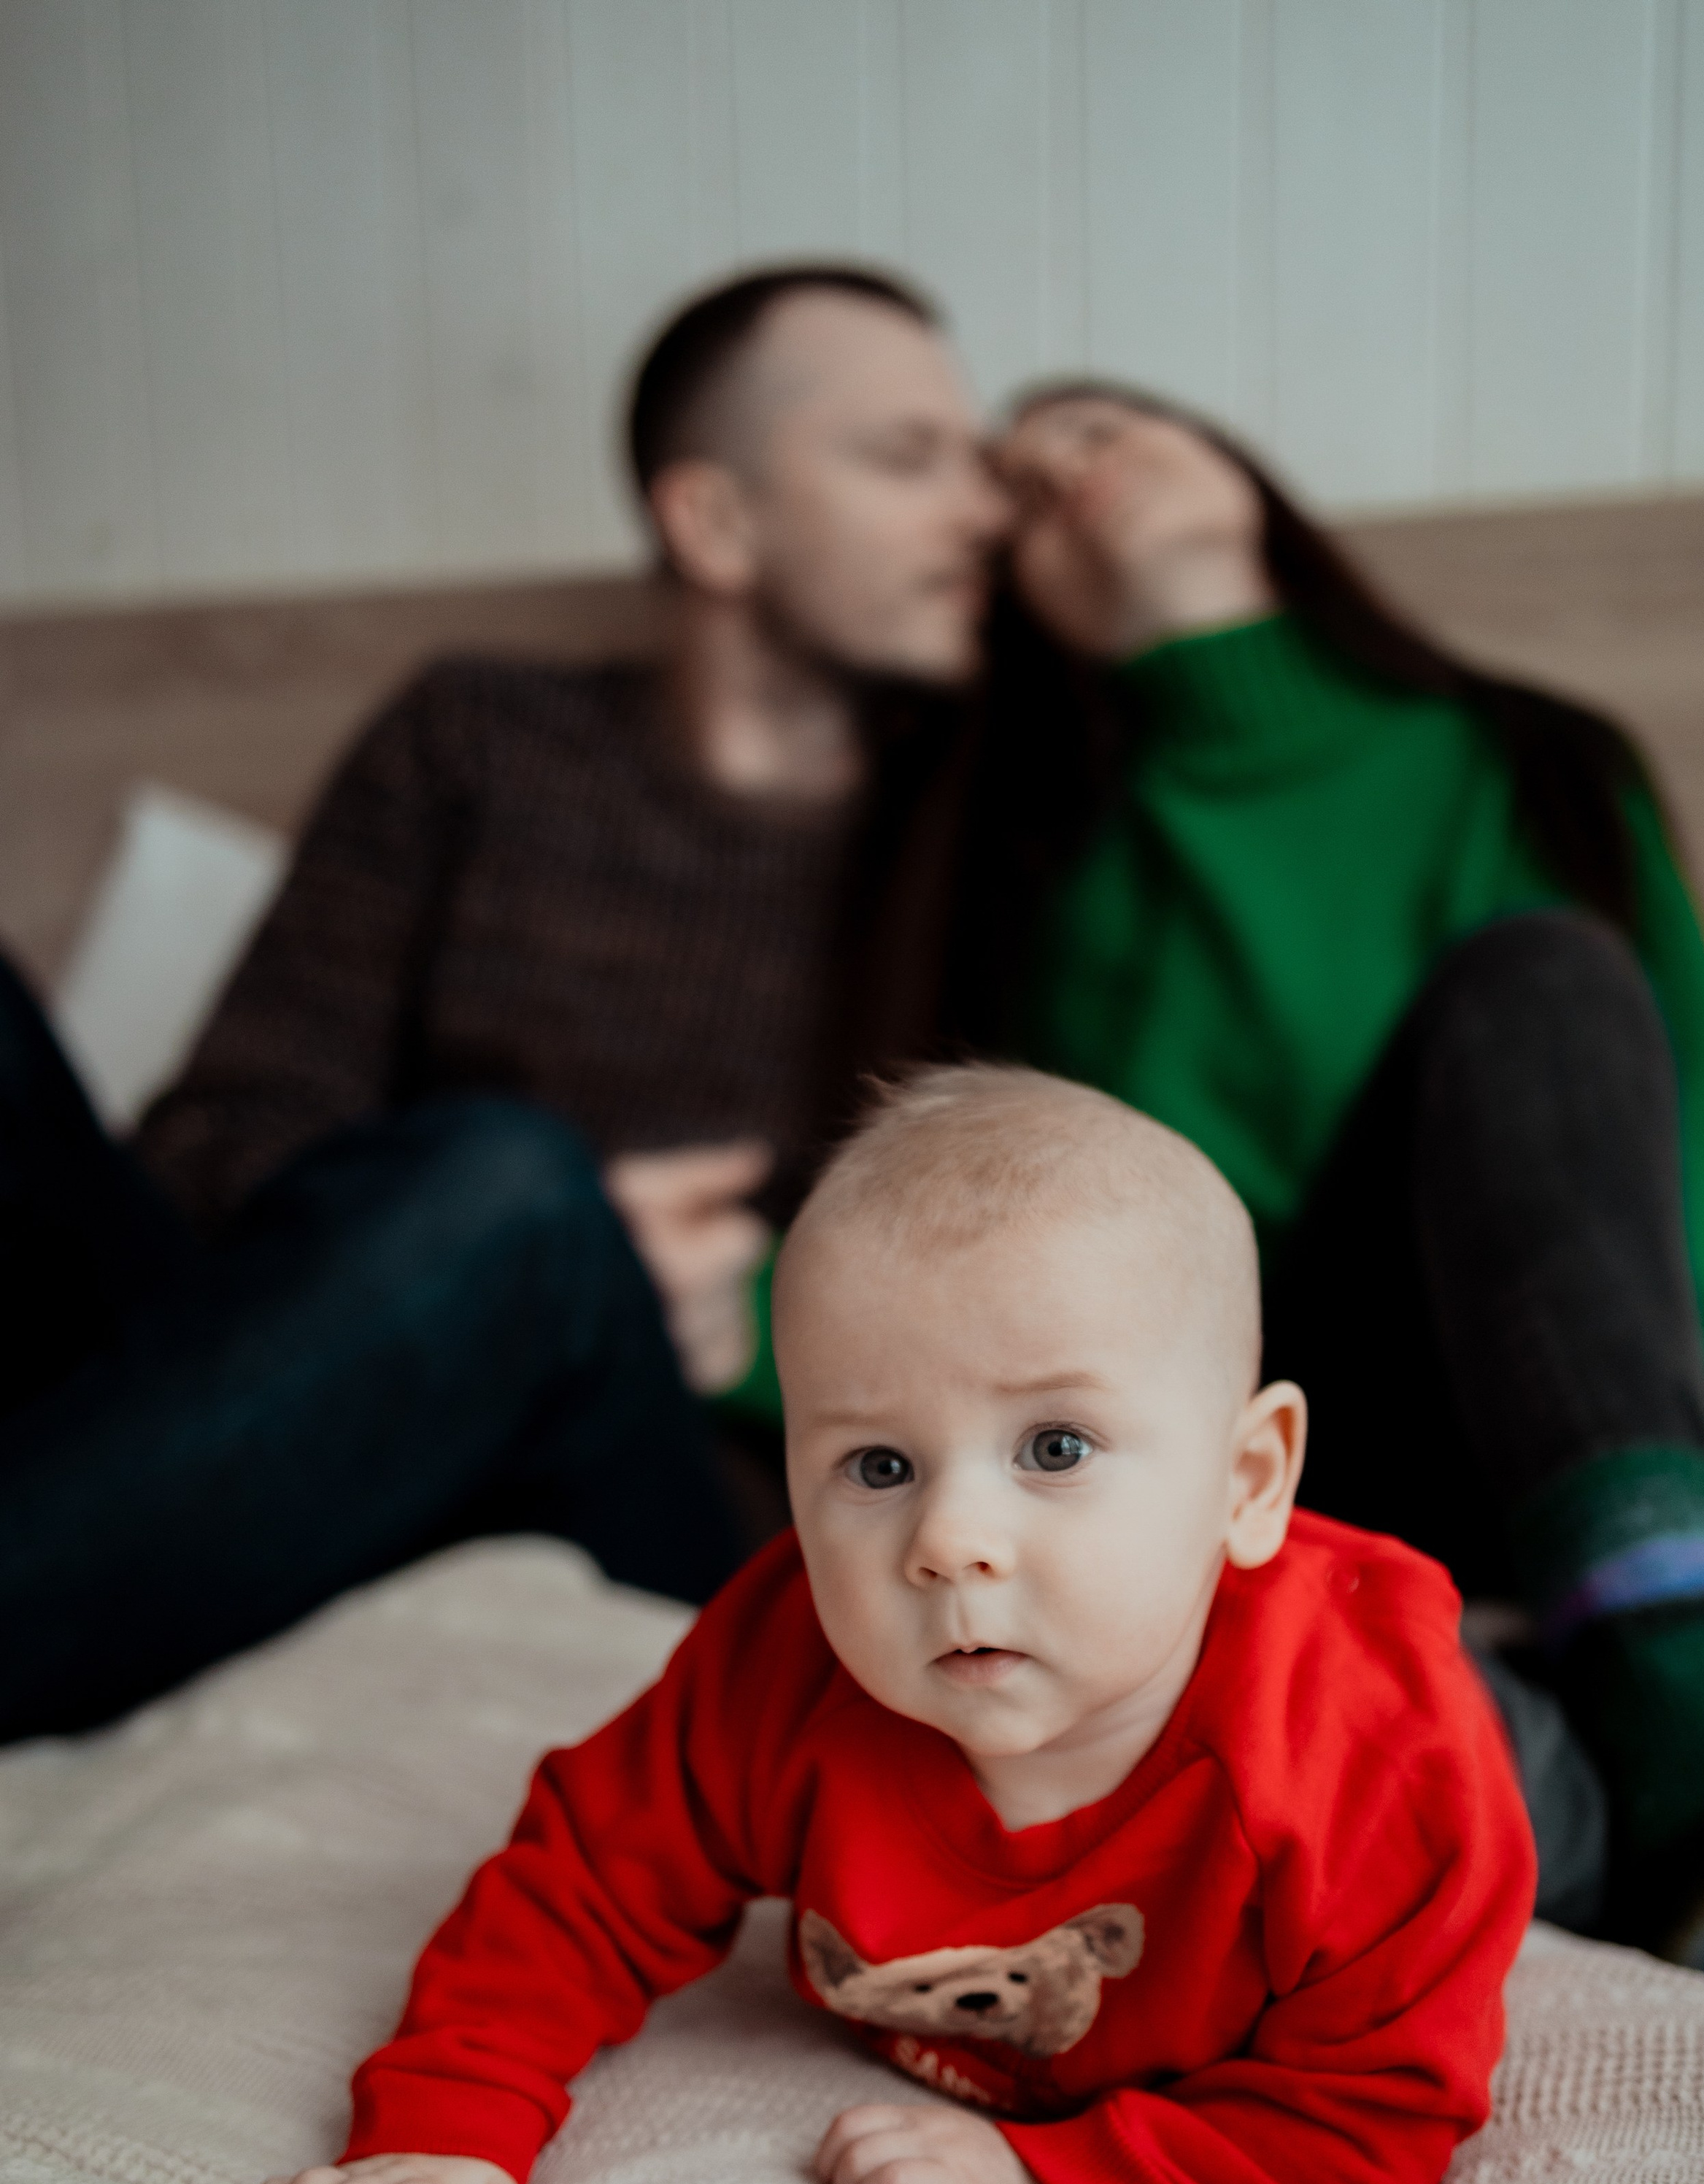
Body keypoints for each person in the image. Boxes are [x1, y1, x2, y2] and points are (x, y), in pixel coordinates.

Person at [240, 1066, 1535, 2184]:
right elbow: (583, 1881)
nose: (949, 1540)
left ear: (1246, 1481)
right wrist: (445, 2119)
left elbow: (1373, 2114)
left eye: (1056, 1448)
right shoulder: (782, 1661)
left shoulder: (1382, 1771)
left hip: (1510, 1752)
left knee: (1549, 1774)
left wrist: (1046, 2179)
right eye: (878, 1466)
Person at [936, 386, 1704, 2008]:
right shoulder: (1050, 879)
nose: (1061, 473)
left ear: (1241, 465)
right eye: (1010, 492)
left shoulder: (1540, 755)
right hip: (1332, 1428)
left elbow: (1693, 1151)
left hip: (1651, 1395)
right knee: (1528, 981)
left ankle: (1637, 1655)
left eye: (1095, 425)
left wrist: (1672, 1489)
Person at [0, 264, 1008, 1744]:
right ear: (712, 522)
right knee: (498, 1190)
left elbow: (1062, 1275)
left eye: (977, 463)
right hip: (302, 1393)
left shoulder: (990, 826)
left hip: (664, 1490)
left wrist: (747, 1312)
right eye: (906, 459)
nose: (978, 511)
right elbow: (218, 1142)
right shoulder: (478, 738)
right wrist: (491, 1254)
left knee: (510, 1181)